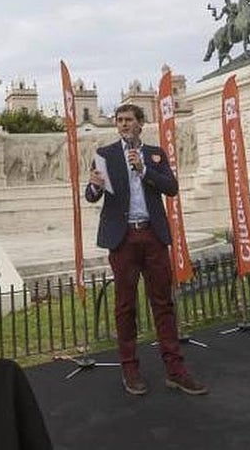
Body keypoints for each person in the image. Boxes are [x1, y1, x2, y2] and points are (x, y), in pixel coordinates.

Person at [85, 104, 207, 397]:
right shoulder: (105, 155)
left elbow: (172, 188)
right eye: (119, 120)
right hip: (123, 238)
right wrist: (95, 187)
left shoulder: (155, 154)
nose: (123, 125)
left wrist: (145, 169)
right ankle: (130, 368)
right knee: (125, 307)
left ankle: (176, 370)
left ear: (141, 124)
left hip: (152, 236)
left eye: (129, 120)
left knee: (163, 303)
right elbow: (91, 196)